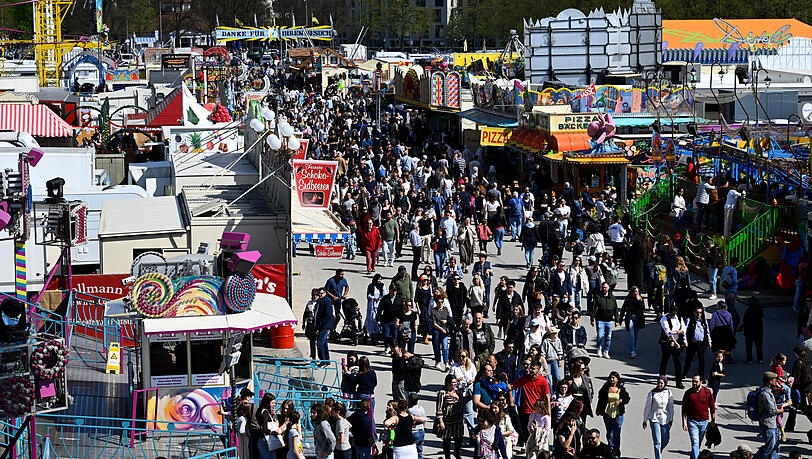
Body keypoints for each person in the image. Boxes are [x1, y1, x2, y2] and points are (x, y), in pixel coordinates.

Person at [513, 360, 551, 446]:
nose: (531, 370)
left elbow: (547, 397)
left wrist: (548, 412)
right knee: (526, 429)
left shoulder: (543, 381)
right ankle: (526, 446)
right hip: (525, 409)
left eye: (533, 369)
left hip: (537, 411)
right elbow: (513, 387)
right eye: (531, 368)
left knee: (538, 430)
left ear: (538, 369)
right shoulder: (524, 378)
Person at [595, 371, 630, 457]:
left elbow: (627, 398)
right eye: (610, 377)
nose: (611, 379)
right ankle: (611, 450)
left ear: (617, 379)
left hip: (618, 413)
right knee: (609, 433)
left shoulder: (621, 389)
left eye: (613, 378)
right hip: (607, 412)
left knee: (617, 432)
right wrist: (598, 408)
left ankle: (617, 452)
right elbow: (601, 398)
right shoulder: (606, 387)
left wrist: (620, 401)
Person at [682, 375, 716, 459]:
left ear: (701, 382)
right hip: (692, 422)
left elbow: (712, 407)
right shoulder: (688, 393)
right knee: (695, 443)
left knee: (698, 444)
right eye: (693, 381)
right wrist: (684, 422)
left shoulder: (707, 392)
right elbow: (684, 409)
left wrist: (713, 421)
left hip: (704, 422)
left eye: (696, 381)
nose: (694, 383)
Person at [643, 375, 675, 459]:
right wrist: (645, 419)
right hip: (654, 418)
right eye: (658, 383)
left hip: (665, 418)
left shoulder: (668, 392)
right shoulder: (652, 393)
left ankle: (658, 451)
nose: (660, 385)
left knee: (665, 440)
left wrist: (671, 418)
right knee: (657, 441)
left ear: (665, 384)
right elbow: (647, 407)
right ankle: (658, 456)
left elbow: (671, 407)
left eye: (661, 383)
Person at [436, 374, 465, 459]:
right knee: (447, 440)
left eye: (456, 382)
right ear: (448, 383)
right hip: (447, 421)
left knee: (458, 439)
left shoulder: (458, 392)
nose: (455, 384)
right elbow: (439, 408)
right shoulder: (442, 393)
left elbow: (462, 404)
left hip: (458, 420)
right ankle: (447, 456)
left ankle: (457, 454)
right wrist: (441, 422)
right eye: (453, 383)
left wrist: (457, 397)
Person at [755, 371, 782, 459]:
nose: (776, 382)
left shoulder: (767, 392)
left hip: (773, 423)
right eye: (775, 380)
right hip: (768, 424)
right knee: (769, 446)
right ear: (770, 381)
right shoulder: (765, 394)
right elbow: (772, 410)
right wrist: (781, 409)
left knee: (775, 446)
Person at [659, 306, 686, 388]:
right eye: (672, 313)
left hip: (677, 343)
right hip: (667, 343)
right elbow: (668, 332)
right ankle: (661, 379)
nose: (673, 314)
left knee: (678, 363)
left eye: (674, 313)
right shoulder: (664, 318)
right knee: (664, 361)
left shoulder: (680, 318)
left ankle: (678, 382)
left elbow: (683, 329)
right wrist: (675, 342)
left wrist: (677, 332)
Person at [683, 306, 712, 381]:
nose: (699, 314)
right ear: (694, 312)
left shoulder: (704, 321)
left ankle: (701, 376)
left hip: (701, 343)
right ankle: (684, 373)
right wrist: (685, 341)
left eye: (700, 312)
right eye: (697, 312)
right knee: (689, 359)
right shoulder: (689, 320)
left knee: (702, 360)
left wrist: (709, 341)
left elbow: (707, 332)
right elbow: (684, 331)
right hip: (692, 343)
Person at [591, 282, 618, 359]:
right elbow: (593, 308)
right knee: (600, 335)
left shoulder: (612, 298)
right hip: (600, 320)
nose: (604, 289)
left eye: (605, 287)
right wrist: (592, 319)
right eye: (603, 287)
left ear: (608, 288)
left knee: (608, 337)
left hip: (609, 320)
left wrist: (617, 320)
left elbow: (615, 309)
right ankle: (599, 348)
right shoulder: (598, 297)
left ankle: (606, 351)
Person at [619, 286, 646, 358]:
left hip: (638, 318)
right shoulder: (628, 299)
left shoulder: (640, 298)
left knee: (636, 335)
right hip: (630, 317)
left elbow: (642, 308)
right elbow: (623, 309)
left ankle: (633, 347)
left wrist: (639, 300)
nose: (636, 293)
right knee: (632, 335)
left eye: (637, 291)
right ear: (632, 292)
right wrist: (620, 319)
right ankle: (632, 351)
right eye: (635, 291)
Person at [377, 284, 403, 354]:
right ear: (389, 290)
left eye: (395, 291)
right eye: (393, 290)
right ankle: (387, 346)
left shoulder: (399, 299)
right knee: (386, 335)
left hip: (395, 321)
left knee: (395, 335)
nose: (394, 292)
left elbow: (401, 310)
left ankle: (394, 348)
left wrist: (400, 319)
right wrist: (378, 319)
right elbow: (379, 309)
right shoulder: (385, 299)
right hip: (386, 320)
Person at [430, 288, 451, 370]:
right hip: (436, 330)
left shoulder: (445, 310)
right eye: (438, 302)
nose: (440, 304)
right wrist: (441, 329)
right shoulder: (433, 311)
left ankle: (446, 363)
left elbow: (449, 318)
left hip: (445, 330)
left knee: (445, 347)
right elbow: (434, 323)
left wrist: (446, 321)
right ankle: (437, 361)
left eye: (442, 302)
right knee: (436, 346)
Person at [325, 269, 349, 335]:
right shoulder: (330, 281)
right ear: (337, 274)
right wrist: (333, 297)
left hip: (338, 300)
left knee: (338, 316)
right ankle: (328, 329)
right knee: (331, 316)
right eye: (341, 274)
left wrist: (345, 294)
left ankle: (333, 329)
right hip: (330, 301)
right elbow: (326, 291)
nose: (342, 276)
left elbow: (347, 286)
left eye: (343, 274)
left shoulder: (343, 280)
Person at [741, 297, 764, 363]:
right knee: (759, 346)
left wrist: (741, 328)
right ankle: (760, 358)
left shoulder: (748, 311)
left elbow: (745, 321)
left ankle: (749, 359)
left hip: (749, 331)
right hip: (758, 331)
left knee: (749, 346)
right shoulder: (759, 310)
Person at [314, 288, 334, 363]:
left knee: (320, 344)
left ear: (325, 293)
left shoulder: (327, 301)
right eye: (318, 294)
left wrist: (321, 324)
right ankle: (326, 360)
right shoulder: (319, 301)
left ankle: (323, 361)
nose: (319, 295)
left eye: (321, 294)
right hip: (320, 326)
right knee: (324, 344)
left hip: (324, 326)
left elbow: (328, 315)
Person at [365, 275, 385, 343]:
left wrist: (381, 299)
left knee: (378, 318)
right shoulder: (371, 286)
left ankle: (378, 333)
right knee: (372, 318)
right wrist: (374, 298)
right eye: (378, 279)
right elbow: (369, 295)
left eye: (380, 279)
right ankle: (371, 333)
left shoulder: (382, 286)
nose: (379, 281)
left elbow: (384, 294)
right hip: (372, 304)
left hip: (379, 304)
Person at [407, 393, 427, 459]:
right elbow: (424, 420)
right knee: (419, 449)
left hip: (414, 432)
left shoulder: (409, 410)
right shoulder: (421, 408)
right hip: (421, 431)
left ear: (409, 401)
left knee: (412, 451)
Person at [303, 289, 319, 359]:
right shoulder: (309, 303)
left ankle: (322, 358)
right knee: (311, 341)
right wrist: (304, 323)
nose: (315, 296)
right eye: (313, 295)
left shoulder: (320, 303)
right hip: (310, 324)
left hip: (318, 325)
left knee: (320, 343)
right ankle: (313, 356)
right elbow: (305, 314)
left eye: (316, 295)